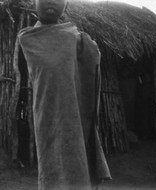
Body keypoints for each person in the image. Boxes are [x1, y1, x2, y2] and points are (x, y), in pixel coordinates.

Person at [17, 0, 111, 189]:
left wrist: (86, 45)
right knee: (51, 166)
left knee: (77, 160)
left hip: (76, 115)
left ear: (66, 6)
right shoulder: (28, 38)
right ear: (34, 3)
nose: (51, 1)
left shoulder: (77, 38)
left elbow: (90, 65)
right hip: (46, 114)